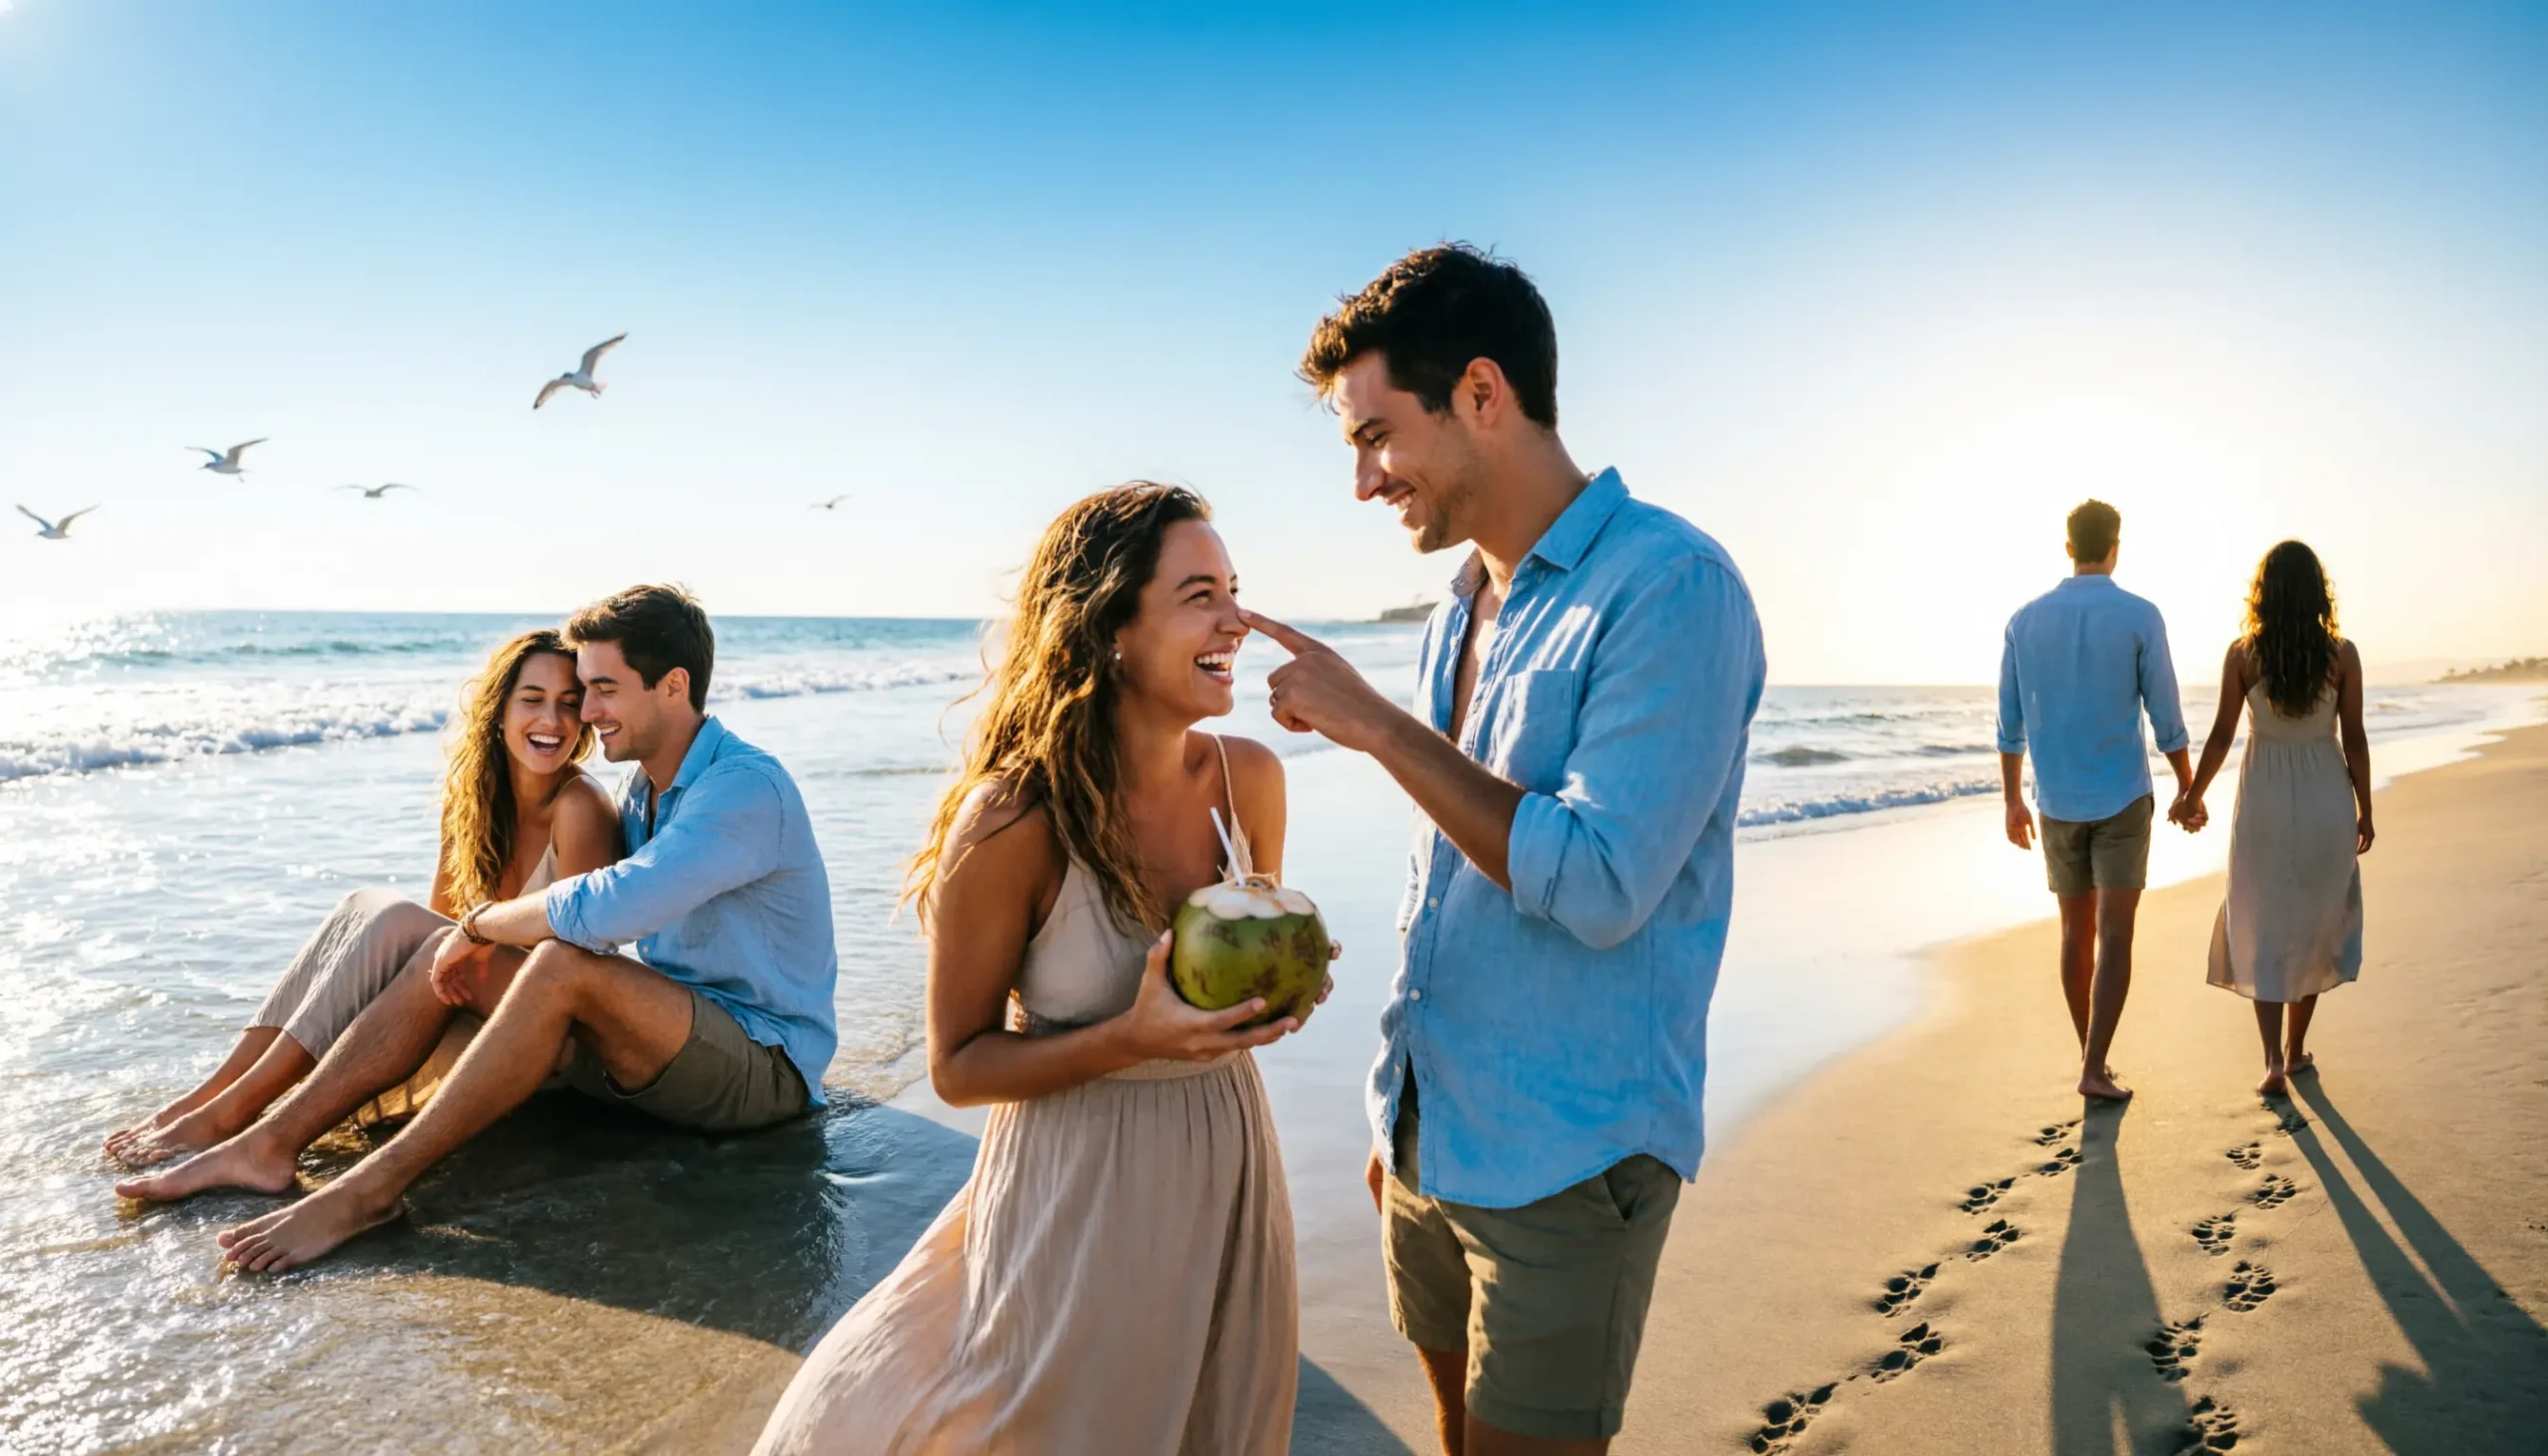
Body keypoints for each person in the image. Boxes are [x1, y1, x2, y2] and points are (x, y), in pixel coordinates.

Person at [1252, 244, 1765, 1456]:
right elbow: (1452, 873)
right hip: (1432, 1130)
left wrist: (1374, 725)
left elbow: (1594, 881)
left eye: (1377, 436)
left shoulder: (1670, 584)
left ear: (1481, 392)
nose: (1366, 479)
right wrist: (1399, 1121)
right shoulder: (1460, 605)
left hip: (1571, 1155)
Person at [753, 484, 1320, 1456]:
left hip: (1227, 1162)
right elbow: (958, 1064)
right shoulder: (1014, 821)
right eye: (1200, 594)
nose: (1239, 619)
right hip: (1075, 1190)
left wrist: (1281, 995)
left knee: (1217, 1421)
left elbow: (1236, 986)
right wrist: (1128, 1038)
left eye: (1235, 588)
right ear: (1109, 629)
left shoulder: (1249, 778)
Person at [115, 585, 840, 1274]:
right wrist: (464, 934)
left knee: (557, 962)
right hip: (662, 1044)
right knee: (431, 939)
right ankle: (265, 1139)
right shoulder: (647, 792)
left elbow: (613, 904)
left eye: (602, 688)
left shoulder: (743, 787)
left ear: (673, 686)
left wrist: (481, 922)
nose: (585, 711)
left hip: (762, 1063)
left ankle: (364, 1192)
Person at [103, 629, 619, 1168]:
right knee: (364, 908)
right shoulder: (471, 803)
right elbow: (433, 945)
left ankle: (231, 1113)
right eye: (532, 700)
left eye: (568, 705)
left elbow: (575, 960)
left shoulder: (579, 806)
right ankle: (211, 1099)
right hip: (476, 1010)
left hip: (548, 1036)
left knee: (395, 918)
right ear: (499, 709)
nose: (552, 722)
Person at [1996, 499, 2196, 1103]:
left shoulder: (2024, 621)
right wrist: (2187, 785)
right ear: (2116, 546)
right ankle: (2095, 1064)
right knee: (2115, 935)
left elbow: (2009, 723)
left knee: (2073, 934)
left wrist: (2012, 801)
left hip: (2055, 800)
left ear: (2067, 547)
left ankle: (2091, 1057)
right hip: (2121, 798)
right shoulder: (2139, 615)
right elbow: (2166, 713)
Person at [2177, 541, 2372, 1096]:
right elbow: (2353, 738)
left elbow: (2220, 737)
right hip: (2324, 798)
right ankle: (2293, 1050)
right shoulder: (2342, 655)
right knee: (2314, 921)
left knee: (2259, 920)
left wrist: (2193, 795)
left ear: (2262, 593)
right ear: (2317, 591)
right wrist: (2366, 806)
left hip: (2262, 796)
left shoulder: (2243, 654)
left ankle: (2270, 1062)